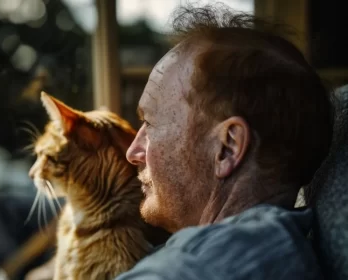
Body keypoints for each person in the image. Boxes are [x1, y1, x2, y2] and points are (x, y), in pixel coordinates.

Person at [116, 4, 334, 280]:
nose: (133, 152)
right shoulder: (262, 244)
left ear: (227, 148)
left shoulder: (196, 269)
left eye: (150, 124)